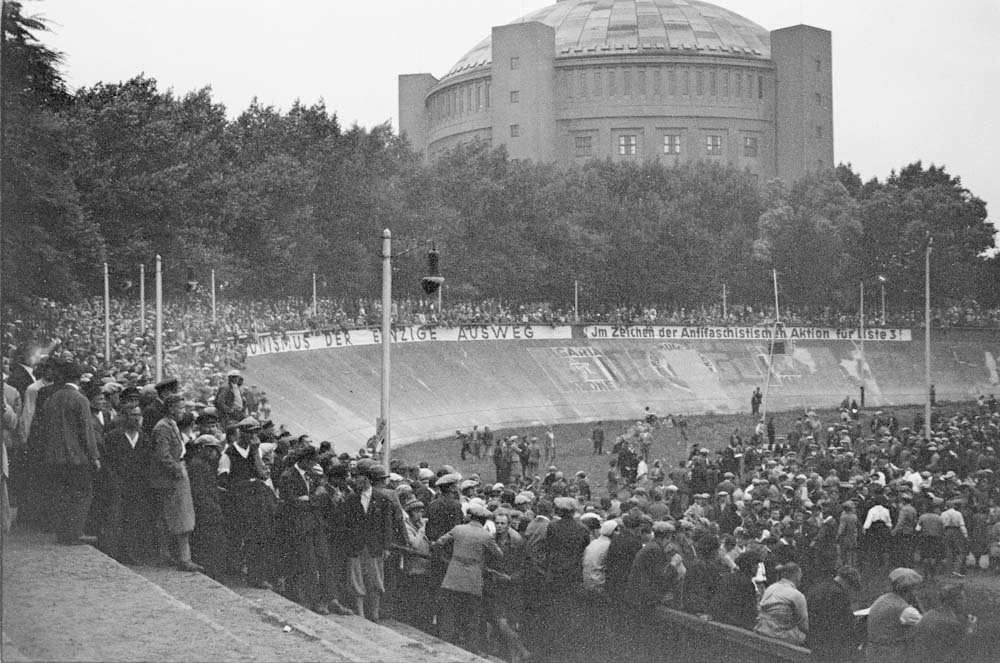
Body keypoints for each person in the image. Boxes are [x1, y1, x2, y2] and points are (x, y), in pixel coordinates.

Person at [38, 359, 101, 545]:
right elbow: (86, 432)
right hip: (76, 456)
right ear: (79, 378)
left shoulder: (52, 397)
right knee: (82, 493)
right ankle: (75, 532)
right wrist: (94, 456)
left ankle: (62, 531)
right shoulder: (80, 399)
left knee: (61, 494)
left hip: (53, 455)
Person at [432, 502, 503, 655]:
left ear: (471, 517)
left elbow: (439, 542)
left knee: (449, 610)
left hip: (453, 574)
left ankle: (446, 641)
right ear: (483, 520)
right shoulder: (486, 535)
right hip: (473, 578)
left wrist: (447, 558)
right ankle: (472, 647)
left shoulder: (458, 529)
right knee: (472, 614)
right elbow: (499, 555)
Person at [150, 394, 202, 572]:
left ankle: (170, 555)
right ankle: (183, 558)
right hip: (171, 477)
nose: (183, 412)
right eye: (180, 408)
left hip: (175, 473)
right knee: (180, 516)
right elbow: (162, 455)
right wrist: (177, 469)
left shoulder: (170, 425)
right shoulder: (163, 427)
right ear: (171, 408)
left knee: (175, 516)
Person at [98, 403, 153, 563]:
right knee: (115, 518)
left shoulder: (144, 438)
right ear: (125, 417)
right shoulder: (113, 437)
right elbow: (106, 461)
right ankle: (112, 551)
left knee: (133, 519)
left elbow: (147, 462)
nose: (136, 419)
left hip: (137, 486)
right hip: (117, 484)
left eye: (138, 415)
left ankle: (130, 553)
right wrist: (114, 479)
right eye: (132, 415)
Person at [342, 463, 398, 621]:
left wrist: (386, 546)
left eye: (357, 477)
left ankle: (374, 614)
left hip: (374, 546)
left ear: (366, 479)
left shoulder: (382, 499)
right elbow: (346, 523)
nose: (354, 480)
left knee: (375, 579)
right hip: (356, 545)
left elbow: (387, 525)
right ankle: (360, 614)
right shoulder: (351, 499)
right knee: (356, 579)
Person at [865, 567, 923, 663]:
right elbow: (926, 627)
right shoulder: (906, 610)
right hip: (893, 655)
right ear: (910, 589)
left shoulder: (882, 598)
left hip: (873, 653)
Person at [805, 565, 862, 662]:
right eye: (851, 586)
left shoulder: (816, 588)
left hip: (814, 642)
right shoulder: (839, 595)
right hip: (832, 648)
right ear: (848, 582)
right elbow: (846, 625)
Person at [912, 584, 976, 662]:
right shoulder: (951, 622)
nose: (965, 601)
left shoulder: (929, 614)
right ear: (952, 601)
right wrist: (970, 626)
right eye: (962, 598)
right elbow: (963, 648)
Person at [755, 562, 808, 645]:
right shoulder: (797, 595)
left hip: (762, 628)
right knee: (805, 637)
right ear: (797, 576)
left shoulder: (771, 588)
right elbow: (804, 624)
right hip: (779, 634)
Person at [711, 550, 760, 630]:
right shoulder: (748, 584)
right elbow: (750, 611)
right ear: (750, 566)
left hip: (720, 620)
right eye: (756, 564)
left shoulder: (727, 577)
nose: (758, 567)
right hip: (735, 625)